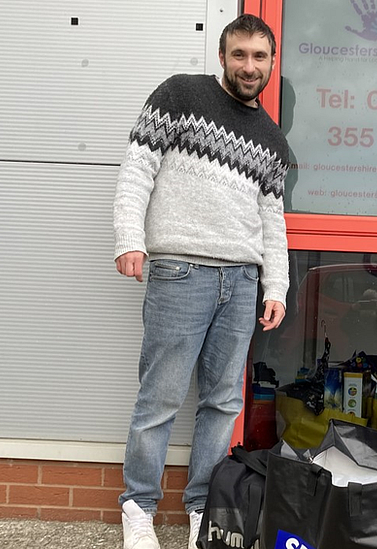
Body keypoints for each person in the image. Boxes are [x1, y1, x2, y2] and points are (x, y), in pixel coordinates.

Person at [112, 14, 289, 549]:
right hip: (179, 271)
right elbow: (137, 168)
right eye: (240, 55)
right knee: (159, 399)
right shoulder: (179, 95)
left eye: (260, 57)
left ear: (272, 63)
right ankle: (138, 507)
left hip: (241, 280)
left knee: (222, 404)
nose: (249, 66)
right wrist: (129, 238)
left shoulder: (273, 138)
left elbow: (273, 222)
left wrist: (275, 286)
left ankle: (203, 511)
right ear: (222, 56)